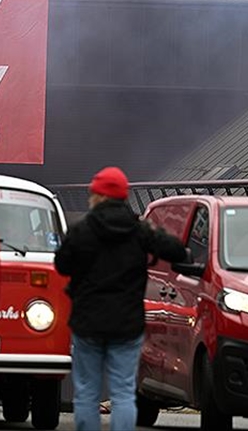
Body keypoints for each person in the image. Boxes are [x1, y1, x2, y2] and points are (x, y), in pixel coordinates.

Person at [54, 167, 188, 431]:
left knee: (86, 394)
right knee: (124, 393)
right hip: (126, 323)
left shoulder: (82, 230)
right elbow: (176, 251)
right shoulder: (139, 231)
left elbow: (62, 265)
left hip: (87, 321)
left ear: (100, 196)